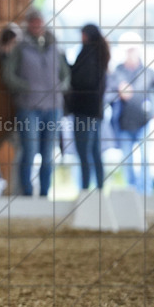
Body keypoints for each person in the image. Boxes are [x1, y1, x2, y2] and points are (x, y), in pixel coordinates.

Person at [2, 9, 70, 197]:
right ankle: (26, 193)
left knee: (48, 155)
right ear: (28, 24)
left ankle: (45, 194)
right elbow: (8, 75)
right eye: (33, 22)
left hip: (53, 108)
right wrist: (26, 87)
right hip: (29, 107)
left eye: (39, 21)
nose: (37, 25)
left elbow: (65, 74)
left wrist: (60, 87)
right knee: (29, 151)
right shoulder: (20, 48)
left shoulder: (55, 47)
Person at [110, 33, 154, 194]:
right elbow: (109, 92)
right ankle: (131, 192)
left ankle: (146, 193)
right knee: (127, 162)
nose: (131, 53)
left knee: (145, 160)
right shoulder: (118, 72)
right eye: (128, 50)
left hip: (143, 124)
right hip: (123, 125)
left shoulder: (148, 72)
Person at [65, 24, 110, 192]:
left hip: (85, 110)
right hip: (95, 110)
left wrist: (66, 66)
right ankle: (99, 188)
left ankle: (85, 189)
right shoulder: (99, 54)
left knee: (84, 151)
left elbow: (81, 81)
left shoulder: (88, 54)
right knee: (94, 151)